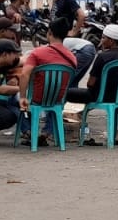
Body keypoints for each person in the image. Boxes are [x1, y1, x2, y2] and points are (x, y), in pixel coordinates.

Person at [12, 17, 78, 147]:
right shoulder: (72, 57)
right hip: (58, 99)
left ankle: (28, 131)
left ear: (50, 33)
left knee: (12, 98)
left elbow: (24, 75)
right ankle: (46, 133)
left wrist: (23, 97)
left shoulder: (38, 53)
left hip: (36, 98)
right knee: (54, 103)